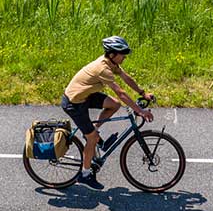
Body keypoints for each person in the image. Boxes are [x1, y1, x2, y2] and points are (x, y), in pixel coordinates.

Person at [61, 36, 153, 190]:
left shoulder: (112, 63)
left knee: (114, 105)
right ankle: (84, 174)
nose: (124, 57)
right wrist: (140, 111)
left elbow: (127, 79)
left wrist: (143, 93)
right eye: (122, 54)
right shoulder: (103, 69)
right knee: (92, 138)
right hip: (74, 102)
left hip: (85, 96)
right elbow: (121, 93)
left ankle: (94, 131)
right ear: (112, 54)